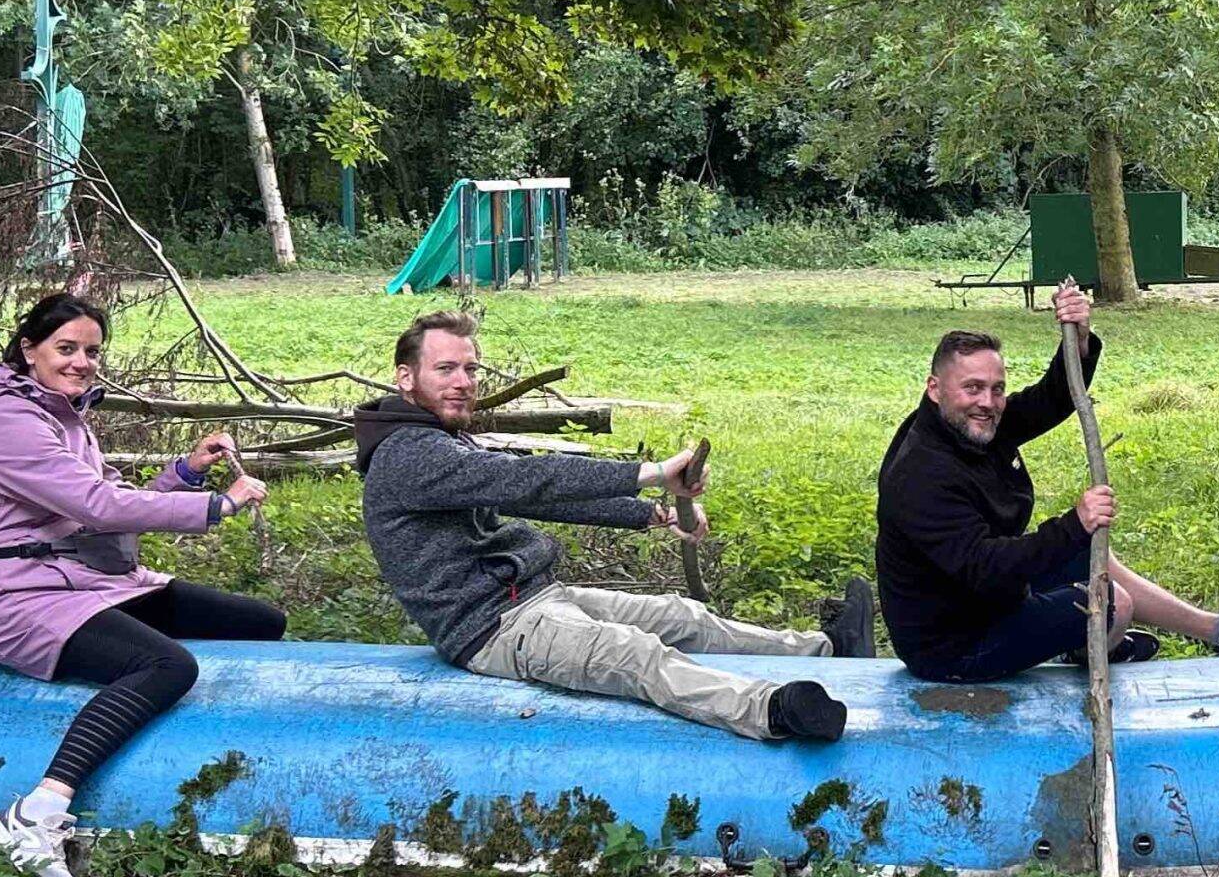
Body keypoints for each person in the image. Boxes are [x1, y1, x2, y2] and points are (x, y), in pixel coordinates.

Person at [357, 312, 858, 743]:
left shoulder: (434, 440)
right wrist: (652, 474)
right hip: (493, 630)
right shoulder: (408, 454)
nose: (463, 382)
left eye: (469, 368)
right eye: (445, 369)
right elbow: (528, 479)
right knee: (636, 656)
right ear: (406, 378)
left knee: (682, 617)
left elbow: (542, 499)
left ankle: (828, 649)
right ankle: (773, 711)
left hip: (531, 599)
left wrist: (648, 513)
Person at [0, 291, 285, 877]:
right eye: (67, 348)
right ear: (29, 350)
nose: (82, 361)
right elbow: (95, 504)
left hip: (87, 583)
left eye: (91, 351)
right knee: (166, 663)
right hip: (18, 599)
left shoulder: (63, 416)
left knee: (261, 621)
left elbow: (107, 504)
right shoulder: (7, 421)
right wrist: (215, 505)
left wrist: (185, 473)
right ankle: (37, 812)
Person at [876, 279, 1219, 681]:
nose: (987, 402)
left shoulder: (965, 425)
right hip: (954, 645)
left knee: (1085, 556)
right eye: (972, 388)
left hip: (988, 599)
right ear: (935, 389)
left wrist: (1079, 341)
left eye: (997, 389)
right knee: (1110, 604)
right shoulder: (920, 474)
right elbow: (987, 566)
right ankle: (1093, 646)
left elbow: (1048, 402)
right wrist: (1075, 523)